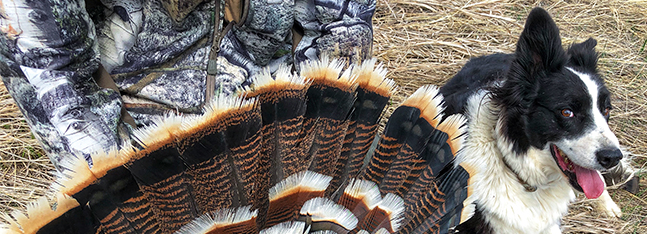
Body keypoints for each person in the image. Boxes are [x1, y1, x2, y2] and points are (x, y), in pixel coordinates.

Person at [0, 0, 375, 169]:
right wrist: (127, 183)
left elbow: (342, 36)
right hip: (125, 111)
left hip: (253, 86)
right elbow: (65, 80)